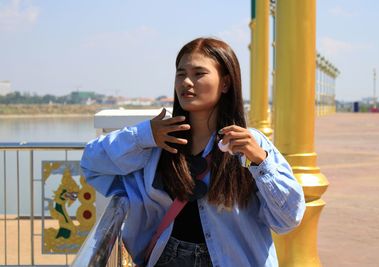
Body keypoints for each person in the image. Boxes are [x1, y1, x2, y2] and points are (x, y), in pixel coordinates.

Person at [80, 37, 305, 267]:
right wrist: (144, 136)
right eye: (180, 74)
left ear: (225, 83)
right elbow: (91, 162)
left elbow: (288, 219)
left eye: (199, 73)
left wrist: (261, 162)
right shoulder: (158, 142)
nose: (186, 82)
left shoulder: (249, 144)